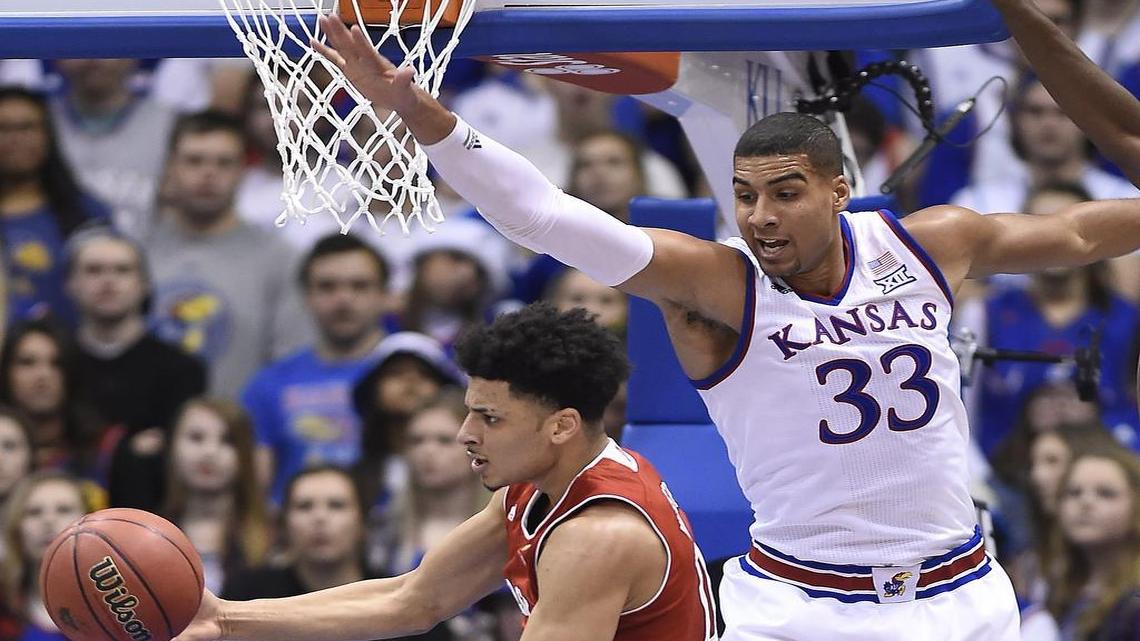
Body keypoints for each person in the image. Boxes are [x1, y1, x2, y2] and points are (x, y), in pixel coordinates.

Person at [309, 13, 1140, 638]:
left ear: (839, 188)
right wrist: (421, 114)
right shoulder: (718, 285)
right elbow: (545, 217)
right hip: (798, 608)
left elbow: (1083, 232)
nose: (759, 215)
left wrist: (1026, 20)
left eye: (784, 191)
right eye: (744, 195)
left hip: (964, 594)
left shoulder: (937, 243)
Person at [175, 303, 716, 641]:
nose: (466, 434)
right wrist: (224, 620)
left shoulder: (596, 536)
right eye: (469, 410)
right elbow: (414, 600)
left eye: (490, 418)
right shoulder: (541, 481)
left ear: (560, 425)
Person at [147, 110, 313, 398]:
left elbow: (292, 362)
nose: (208, 174)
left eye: (224, 163)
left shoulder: (280, 259)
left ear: (243, 172)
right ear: (170, 167)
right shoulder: (136, 250)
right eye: (194, 161)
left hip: (242, 429)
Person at [64, 225, 207, 510]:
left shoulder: (181, 369)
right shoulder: (55, 362)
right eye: (94, 270)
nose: (108, 281)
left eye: (122, 270)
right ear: (70, 285)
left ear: (144, 284)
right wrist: (130, 447)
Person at [242, 233, 391, 504]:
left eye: (360, 286)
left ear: (385, 295)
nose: (343, 299)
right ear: (306, 296)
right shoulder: (268, 384)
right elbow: (253, 491)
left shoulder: (413, 375)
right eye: (327, 287)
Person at [0, 87, 111, 324]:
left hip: (66, 356)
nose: (15, 139)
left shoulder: (85, 214)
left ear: (48, 134)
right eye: (4, 128)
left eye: (27, 127)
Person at [49, 59, 176, 238]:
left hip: (149, 258)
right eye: (82, 46)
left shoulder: (173, 124)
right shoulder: (32, 123)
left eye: (106, 46)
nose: (94, 61)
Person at [162, 398, 270, 595]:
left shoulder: (274, 538)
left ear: (245, 453)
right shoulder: (147, 535)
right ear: (172, 447)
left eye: (227, 441)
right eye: (196, 438)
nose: (209, 452)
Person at [1046, 445, 1140, 640]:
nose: (1086, 502)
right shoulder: (1056, 589)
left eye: (1106, 493)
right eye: (1074, 492)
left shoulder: (1134, 605)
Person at [0, 471, 92, 641]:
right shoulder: (4, 605)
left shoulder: (118, 607)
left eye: (64, 510)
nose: (48, 520)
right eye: (34, 512)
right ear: (17, 528)